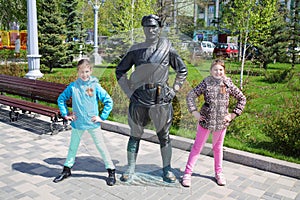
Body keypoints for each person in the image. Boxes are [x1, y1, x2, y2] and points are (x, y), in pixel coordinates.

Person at [115, 14, 188, 183]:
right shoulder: (136, 49)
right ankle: (131, 167)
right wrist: (128, 92)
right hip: (139, 98)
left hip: (161, 99)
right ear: (143, 29)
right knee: (135, 135)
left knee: (164, 136)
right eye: (148, 27)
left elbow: (182, 71)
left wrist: (174, 90)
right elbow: (120, 71)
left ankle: (167, 169)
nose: (151, 30)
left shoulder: (167, 48)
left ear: (159, 28)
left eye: (154, 26)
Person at [181, 59, 246, 187]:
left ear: (224, 71)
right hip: (205, 121)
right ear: (211, 71)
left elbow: (242, 99)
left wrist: (232, 115)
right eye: (215, 69)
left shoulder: (228, 83)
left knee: (217, 148)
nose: (218, 72)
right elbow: (190, 96)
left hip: (221, 123)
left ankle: (219, 173)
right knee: (197, 147)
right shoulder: (206, 83)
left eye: (221, 70)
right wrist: (194, 112)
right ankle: (187, 173)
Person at [53, 59, 116, 186]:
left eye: (87, 71)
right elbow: (61, 99)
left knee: (101, 147)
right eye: (81, 72)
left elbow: (108, 101)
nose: (84, 74)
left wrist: (102, 117)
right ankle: (67, 170)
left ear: (91, 71)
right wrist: (66, 114)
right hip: (78, 123)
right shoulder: (73, 86)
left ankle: (111, 170)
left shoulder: (95, 86)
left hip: (92, 123)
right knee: (73, 147)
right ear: (78, 72)